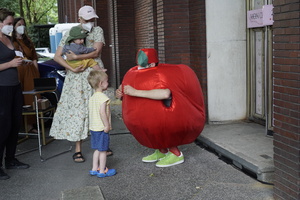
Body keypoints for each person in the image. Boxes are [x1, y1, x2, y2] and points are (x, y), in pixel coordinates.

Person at [116, 48, 205, 167]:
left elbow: (165, 93)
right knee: (154, 129)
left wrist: (135, 92)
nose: (139, 68)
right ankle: (162, 151)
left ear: (152, 64)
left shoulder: (161, 74)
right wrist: (119, 93)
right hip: (148, 116)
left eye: (143, 65)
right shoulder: (134, 72)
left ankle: (175, 154)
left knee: (163, 129)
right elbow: (124, 88)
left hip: (166, 114)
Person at [49, 5, 110, 163]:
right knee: (78, 111)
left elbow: (96, 52)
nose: (90, 22)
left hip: (94, 75)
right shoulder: (71, 32)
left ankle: (103, 145)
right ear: (79, 19)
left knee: (99, 108)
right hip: (76, 78)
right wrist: (71, 68)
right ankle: (78, 149)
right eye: (87, 19)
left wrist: (76, 58)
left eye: (92, 19)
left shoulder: (97, 31)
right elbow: (58, 56)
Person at [0, 8, 30, 180]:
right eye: (9, 24)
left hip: (15, 86)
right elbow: (7, 63)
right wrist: (11, 64)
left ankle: (10, 159)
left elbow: (13, 61)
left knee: (15, 124)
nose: (11, 27)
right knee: (3, 126)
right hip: (2, 87)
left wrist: (21, 63)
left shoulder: (9, 39)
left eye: (12, 24)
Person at [12, 17, 40, 132]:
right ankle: (18, 126)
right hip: (17, 70)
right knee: (17, 97)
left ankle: (30, 125)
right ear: (14, 26)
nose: (21, 27)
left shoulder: (28, 41)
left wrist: (37, 73)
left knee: (31, 97)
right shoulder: (10, 41)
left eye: (23, 24)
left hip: (29, 70)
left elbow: (34, 59)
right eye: (19, 24)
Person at [87, 70, 116, 177]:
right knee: (103, 150)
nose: (108, 83)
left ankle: (94, 168)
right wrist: (107, 125)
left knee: (97, 149)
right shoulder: (103, 98)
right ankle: (102, 170)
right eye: (107, 81)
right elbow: (102, 113)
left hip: (94, 128)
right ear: (101, 84)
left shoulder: (92, 97)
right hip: (101, 128)